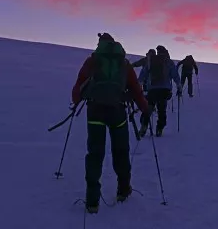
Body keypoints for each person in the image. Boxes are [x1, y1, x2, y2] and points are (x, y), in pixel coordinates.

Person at [70, 32, 149, 214]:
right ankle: (123, 190)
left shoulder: (92, 61)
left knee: (95, 153)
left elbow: (78, 87)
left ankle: (92, 201)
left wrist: (77, 101)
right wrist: (145, 108)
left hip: (95, 112)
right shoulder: (124, 63)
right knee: (121, 151)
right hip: (118, 112)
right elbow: (136, 90)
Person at [138, 45, 181, 137]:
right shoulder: (169, 62)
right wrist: (179, 86)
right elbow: (175, 75)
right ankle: (159, 128)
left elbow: (143, 73)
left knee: (149, 108)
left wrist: (139, 84)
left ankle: (144, 126)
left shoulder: (151, 61)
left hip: (152, 89)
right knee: (162, 110)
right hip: (164, 90)